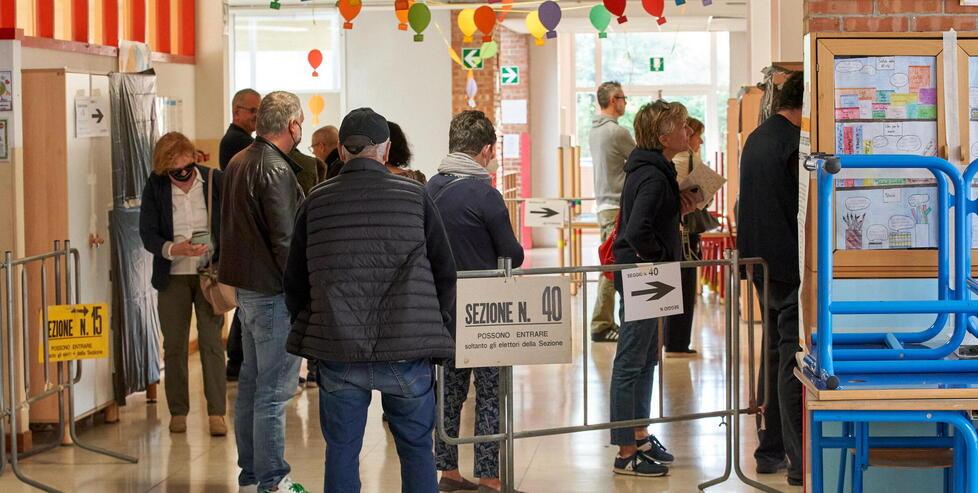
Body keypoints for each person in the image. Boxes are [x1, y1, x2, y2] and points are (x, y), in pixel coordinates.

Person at [284, 108, 457, 493]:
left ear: (342, 152)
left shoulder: (315, 201)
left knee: (342, 451)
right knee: (416, 450)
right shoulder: (415, 197)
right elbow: (446, 271)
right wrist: (435, 324)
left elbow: (294, 280)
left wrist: (316, 324)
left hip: (339, 348)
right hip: (407, 349)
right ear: (386, 150)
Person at [428, 110, 524, 493]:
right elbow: (512, 254)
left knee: (449, 394)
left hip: (440, 311)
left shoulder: (429, 188)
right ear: (485, 150)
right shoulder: (486, 194)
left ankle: (447, 471)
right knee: (488, 394)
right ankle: (489, 476)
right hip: (484, 313)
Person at [220, 91, 308, 493]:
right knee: (273, 392)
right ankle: (273, 479)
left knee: (253, 387)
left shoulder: (239, 162)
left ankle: (251, 476)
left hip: (247, 292)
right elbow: (286, 241)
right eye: (299, 122)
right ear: (291, 125)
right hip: (273, 294)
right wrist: (303, 293)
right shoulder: (275, 169)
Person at [610, 100, 696, 477]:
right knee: (632, 360)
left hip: (649, 274)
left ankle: (639, 434)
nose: (687, 132)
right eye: (681, 127)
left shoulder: (653, 169)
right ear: (663, 136)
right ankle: (626, 451)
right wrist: (660, 256)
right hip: (645, 275)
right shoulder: (652, 174)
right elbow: (637, 229)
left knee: (647, 358)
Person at [737, 71, 805, 487]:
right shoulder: (793, 144)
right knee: (788, 358)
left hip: (761, 261)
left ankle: (770, 449)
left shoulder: (757, 137)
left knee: (776, 354)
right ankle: (797, 460)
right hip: (787, 265)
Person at [139, 132, 227, 437]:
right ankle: (178, 411)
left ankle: (217, 412)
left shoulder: (214, 180)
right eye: (174, 168)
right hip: (172, 275)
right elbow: (147, 233)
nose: (182, 172)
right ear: (164, 168)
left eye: (186, 163)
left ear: (193, 157)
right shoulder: (156, 186)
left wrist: (205, 246)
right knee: (174, 346)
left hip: (208, 274)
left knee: (211, 343)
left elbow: (227, 221)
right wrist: (176, 249)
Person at [219, 88, 261, 382]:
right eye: (253, 111)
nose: (258, 117)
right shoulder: (239, 143)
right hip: (244, 237)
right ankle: (236, 359)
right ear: (237, 112)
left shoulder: (239, 142)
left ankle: (236, 359)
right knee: (246, 305)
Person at [590, 81, 636, 343]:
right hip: (616, 206)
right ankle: (601, 323)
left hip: (605, 205)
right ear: (611, 100)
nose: (625, 102)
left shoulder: (595, 130)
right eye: (622, 97)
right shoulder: (617, 133)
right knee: (612, 266)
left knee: (609, 263)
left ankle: (603, 320)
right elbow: (641, 159)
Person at [663, 117, 708, 355]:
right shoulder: (685, 159)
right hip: (686, 233)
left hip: (680, 232)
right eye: (696, 134)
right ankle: (677, 342)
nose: (699, 140)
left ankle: (673, 340)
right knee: (684, 286)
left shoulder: (674, 160)